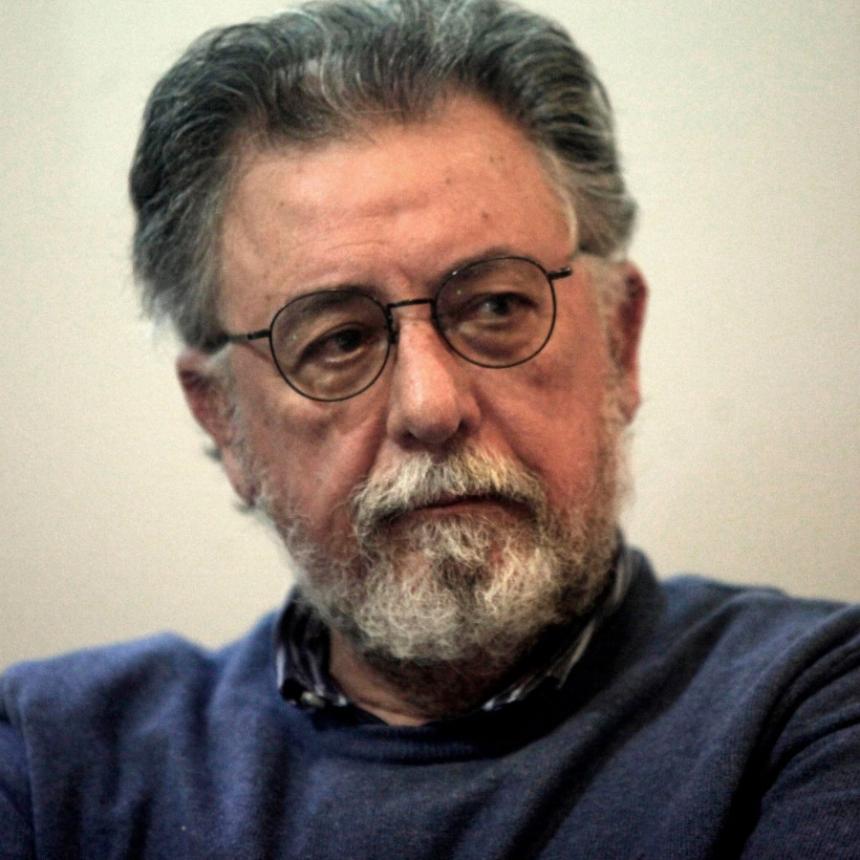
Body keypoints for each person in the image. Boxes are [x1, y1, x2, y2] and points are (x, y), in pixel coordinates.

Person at [1, 0, 857, 856]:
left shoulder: (810, 708)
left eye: (496, 307)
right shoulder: (51, 763)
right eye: (338, 341)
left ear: (619, 339)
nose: (432, 407)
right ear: (224, 420)